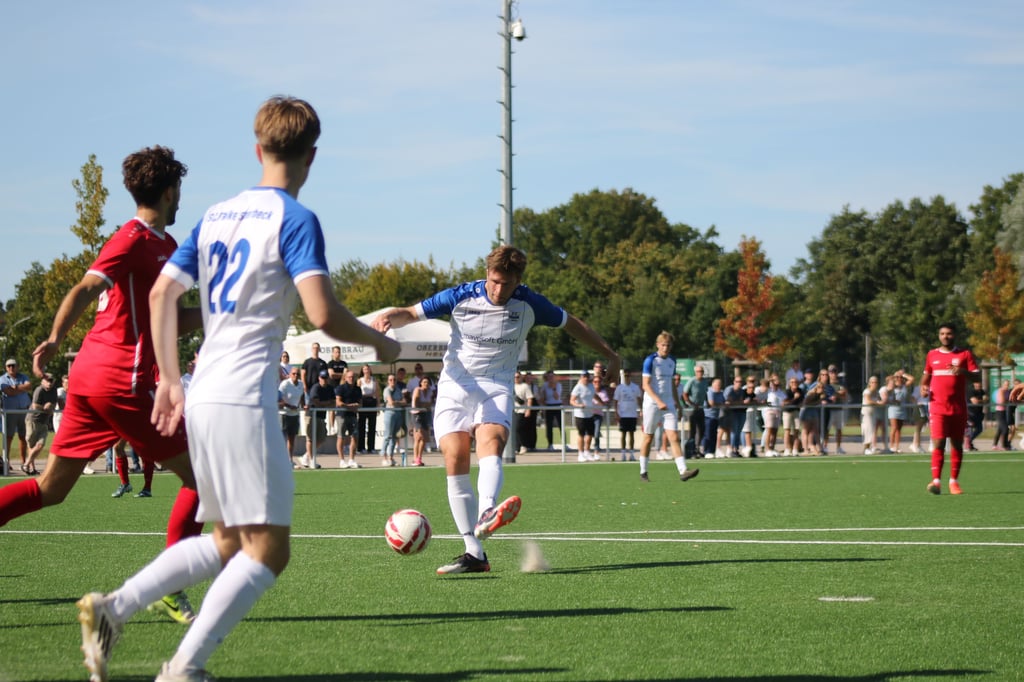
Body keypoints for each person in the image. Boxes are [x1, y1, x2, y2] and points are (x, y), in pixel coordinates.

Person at [76, 95, 400, 682]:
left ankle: (113, 608)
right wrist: (380, 346)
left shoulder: (217, 214)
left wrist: (171, 381)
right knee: (269, 550)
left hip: (203, 392)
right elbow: (322, 315)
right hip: (245, 397)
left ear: (258, 149)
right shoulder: (296, 219)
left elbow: (160, 296)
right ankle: (182, 668)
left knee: (228, 540)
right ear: (312, 156)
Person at [0, 146, 202, 627]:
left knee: (51, 489)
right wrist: (52, 336)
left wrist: (221, 314)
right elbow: (85, 288)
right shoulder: (132, 238)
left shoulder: (165, 246)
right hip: (119, 380)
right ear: (171, 190)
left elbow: (166, 321)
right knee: (206, 478)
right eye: (180, 191)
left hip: (91, 378)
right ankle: (169, 587)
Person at [373, 244, 620, 574]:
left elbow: (573, 324)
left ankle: (488, 512)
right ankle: (474, 553)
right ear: (487, 274)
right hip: (455, 386)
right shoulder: (461, 296)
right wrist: (390, 316)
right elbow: (411, 312)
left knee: (491, 442)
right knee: (455, 455)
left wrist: (610, 354)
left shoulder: (531, 303)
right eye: (493, 280)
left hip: (495, 385)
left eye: (506, 283)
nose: (498, 289)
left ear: (518, 280)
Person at [920, 322, 979, 495]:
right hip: (937, 407)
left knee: (957, 444)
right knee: (938, 442)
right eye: (942, 334)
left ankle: (954, 481)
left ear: (954, 335)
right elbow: (925, 378)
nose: (945, 336)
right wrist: (923, 387)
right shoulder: (932, 355)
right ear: (939, 336)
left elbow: (977, 375)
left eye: (949, 334)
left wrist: (963, 371)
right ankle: (936, 481)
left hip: (958, 407)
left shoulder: (964, 354)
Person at [636, 331, 699, 482]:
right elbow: (645, 385)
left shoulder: (672, 360)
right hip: (652, 403)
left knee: (674, 436)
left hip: (668, 403)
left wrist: (677, 403)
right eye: (663, 345)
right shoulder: (650, 360)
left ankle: (683, 470)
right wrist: (658, 401)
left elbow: (671, 382)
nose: (665, 348)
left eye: (668, 345)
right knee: (648, 438)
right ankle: (643, 471)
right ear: (658, 345)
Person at [1, 358, 32, 473]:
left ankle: (23, 461)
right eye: (9, 366)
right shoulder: (2, 379)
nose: (11, 368)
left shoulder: (23, 376)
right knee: (8, 437)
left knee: (23, 437)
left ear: (17, 366)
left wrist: (16, 388)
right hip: (10, 411)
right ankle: (6, 461)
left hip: (24, 410)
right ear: (6, 368)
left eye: (13, 365)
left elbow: (29, 386)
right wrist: (21, 389)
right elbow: (9, 392)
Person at [24, 372, 58, 475]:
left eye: (51, 381)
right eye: (47, 381)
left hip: (44, 422)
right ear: (42, 381)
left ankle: (26, 464)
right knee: (31, 444)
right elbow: (34, 406)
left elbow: (54, 404)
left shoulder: (54, 390)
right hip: (33, 420)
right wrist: (45, 408)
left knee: (40, 445)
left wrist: (50, 406)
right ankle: (31, 468)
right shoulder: (39, 390)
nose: (49, 383)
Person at [303, 370, 334, 468]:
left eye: (325, 378)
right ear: (319, 378)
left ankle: (306, 455)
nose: (324, 380)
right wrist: (326, 403)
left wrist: (324, 404)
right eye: (322, 378)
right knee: (310, 438)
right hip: (311, 415)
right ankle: (312, 460)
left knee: (322, 437)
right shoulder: (315, 387)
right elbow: (315, 401)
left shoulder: (329, 388)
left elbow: (333, 402)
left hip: (321, 415)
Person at [334, 369, 362, 469]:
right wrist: (350, 406)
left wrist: (356, 406)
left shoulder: (358, 389)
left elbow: (360, 403)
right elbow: (338, 402)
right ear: (345, 378)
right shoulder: (340, 388)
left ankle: (351, 459)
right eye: (349, 377)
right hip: (342, 415)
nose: (351, 379)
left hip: (353, 416)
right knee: (341, 437)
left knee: (355, 437)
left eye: (353, 377)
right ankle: (342, 460)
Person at [613, 369, 642, 461]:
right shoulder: (620, 388)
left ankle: (632, 454)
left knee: (632, 434)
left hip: (632, 414)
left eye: (628, 376)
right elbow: (616, 401)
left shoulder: (635, 387)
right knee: (623, 434)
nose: (627, 377)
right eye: (625, 376)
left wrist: (641, 409)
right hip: (623, 414)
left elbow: (639, 399)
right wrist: (616, 412)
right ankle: (623, 454)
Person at [278, 366, 304, 466]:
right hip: (284, 414)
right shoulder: (285, 384)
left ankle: (290, 459)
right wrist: (289, 406)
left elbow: (301, 396)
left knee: (292, 439)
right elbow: (279, 398)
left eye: (297, 374)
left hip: (295, 414)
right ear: (290, 374)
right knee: (282, 439)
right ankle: (281, 460)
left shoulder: (301, 384)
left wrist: (303, 405)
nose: (295, 376)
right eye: (293, 373)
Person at [570, 371, 598, 462]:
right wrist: (579, 405)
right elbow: (572, 401)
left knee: (590, 434)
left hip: (589, 414)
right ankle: (580, 453)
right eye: (584, 376)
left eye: (587, 376)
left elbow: (595, 396)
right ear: (581, 377)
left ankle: (587, 452)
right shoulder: (577, 387)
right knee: (581, 434)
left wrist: (603, 403)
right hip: (580, 414)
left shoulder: (591, 386)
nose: (585, 378)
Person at [681, 366, 708, 456]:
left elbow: (705, 393)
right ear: (695, 372)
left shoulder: (704, 381)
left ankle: (697, 448)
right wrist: (692, 404)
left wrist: (707, 402)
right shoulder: (691, 381)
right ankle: (690, 450)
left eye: (701, 371)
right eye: (698, 371)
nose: (700, 373)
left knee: (702, 429)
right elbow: (684, 394)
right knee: (692, 430)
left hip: (700, 408)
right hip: (691, 409)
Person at [380, 373, 406, 467]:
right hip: (389, 414)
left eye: (394, 380)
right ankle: (384, 457)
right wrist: (398, 403)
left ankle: (391, 457)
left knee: (395, 437)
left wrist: (397, 403)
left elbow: (404, 402)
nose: (392, 382)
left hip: (398, 414)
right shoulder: (387, 390)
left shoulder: (398, 389)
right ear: (388, 381)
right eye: (390, 380)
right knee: (388, 436)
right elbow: (391, 403)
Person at [410, 375, 435, 466]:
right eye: (424, 382)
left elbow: (430, 403)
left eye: (428, 383)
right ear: (421, 383)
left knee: (424, 438)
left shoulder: (430, 392)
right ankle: (415, 458)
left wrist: (425, 405)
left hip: (425, 414)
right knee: (418, 436)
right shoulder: (417, 390)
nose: (426, 384)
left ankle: (419, 458)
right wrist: (425, 405)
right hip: (417, 415)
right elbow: (417, 403)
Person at [513, 370, 538, 452]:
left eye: (518, 377)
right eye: (515, 377)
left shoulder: (525, 386)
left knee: (518, 428)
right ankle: (516, 447)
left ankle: (523, 445)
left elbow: (529, 398)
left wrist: (528, 409)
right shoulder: (511, 386)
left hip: (521, 410)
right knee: (513, 429)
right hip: (513, 410)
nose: (516, 378)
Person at [357, 364, 379, 454]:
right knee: (361, 426)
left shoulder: (374, 380)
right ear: (362, 370)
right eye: (364, 369)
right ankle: (361, 447)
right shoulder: (360, 380)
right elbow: (358, 393)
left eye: (367, 369)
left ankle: (371, 447)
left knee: (372, 425)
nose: (366, 370)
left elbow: (377, 393)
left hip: (372, 402)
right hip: (363, 402)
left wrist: (378, 405)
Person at [860, 376, 884, 454]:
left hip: (873, 413)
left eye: (876, 382)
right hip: (866, 414)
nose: (874, 384)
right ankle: (866, 448)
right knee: (867, 431)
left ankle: (869, 447)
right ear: (869, 383)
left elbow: (881, 400)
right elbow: (868, 401)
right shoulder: (867, 391)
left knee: (872, 431)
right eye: (872, 382)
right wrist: (878, 403)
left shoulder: (877, 392)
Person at [541, 370, 563, 450]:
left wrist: (553, 388)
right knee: (549, 426)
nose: (551, 378)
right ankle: (550, 444)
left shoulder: (558, 385)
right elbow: (543, 397)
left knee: (561, 425)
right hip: (548, 406)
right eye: (549, 376)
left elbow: (557, 397)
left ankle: (564, 443)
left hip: (557, 405)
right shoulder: (544, 385)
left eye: (552, 376)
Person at [591, 372, 611, 456]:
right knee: (587, 434)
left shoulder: (603, 392)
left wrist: (599, 401)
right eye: (595, 382)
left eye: (598, 382)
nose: (597, 383)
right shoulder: (589, 391)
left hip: (598, 415)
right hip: (589, 415)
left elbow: (605, 403)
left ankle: (596, 449)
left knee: (596, 433)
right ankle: (586, 451)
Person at [967, 379, 986, 451]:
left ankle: (969, 443)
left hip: (979, 413)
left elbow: (986, 398)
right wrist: (982, 401)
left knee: (979, 429)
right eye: (977, 384)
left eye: (980, 384)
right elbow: (975, 402)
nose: (978, 385)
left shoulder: (982, 391)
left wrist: (980, 401)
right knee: (970, 429)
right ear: (974, 383)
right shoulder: (971, 391)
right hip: (971, 413)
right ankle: (968, 444)